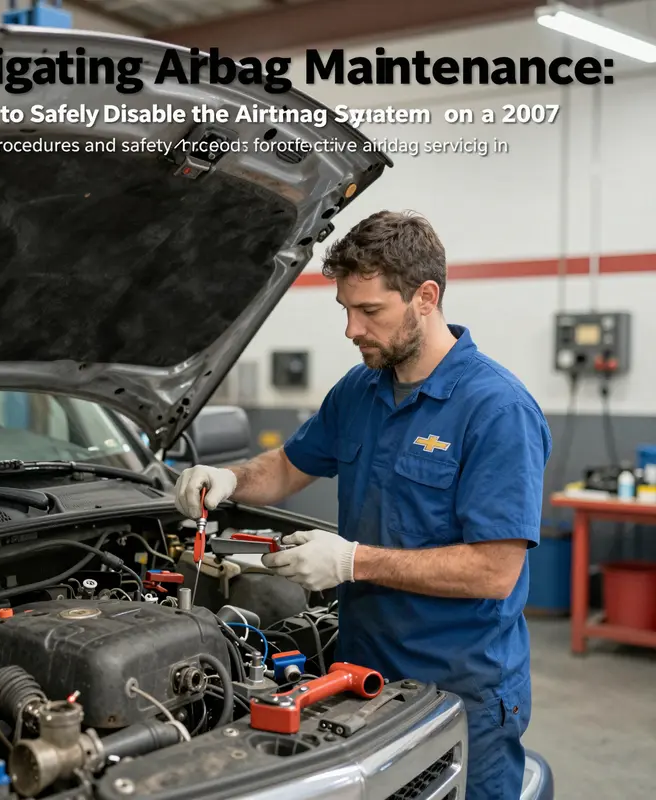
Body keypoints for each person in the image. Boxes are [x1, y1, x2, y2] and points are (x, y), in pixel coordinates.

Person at [174, 209, 552, 800]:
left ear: (425, 297)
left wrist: (352, 563)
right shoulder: (360, 390)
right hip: (359, 679)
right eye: (345, 311)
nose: (352, 329)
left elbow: (495, 570)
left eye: (370, 311)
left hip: (460, 693)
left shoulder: (496, 409)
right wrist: (229, 477)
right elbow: (287, 466)